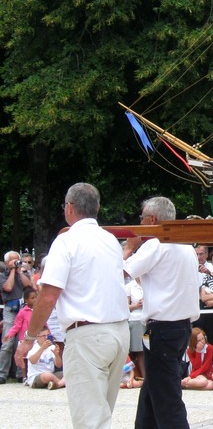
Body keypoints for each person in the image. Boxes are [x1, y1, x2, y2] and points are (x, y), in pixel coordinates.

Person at [15, 182, 130, 429]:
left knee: (90, 420)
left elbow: (48, 295)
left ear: (69, 208)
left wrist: (28, 338)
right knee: (102, 413)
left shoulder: (67, 241)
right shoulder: (110, 240)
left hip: (88, 334)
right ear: (97, 207)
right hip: (119, 331)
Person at [123, 196, 200, 429]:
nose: (139, 222)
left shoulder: (155, 244)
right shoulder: (186, 246)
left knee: (166, 395)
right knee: (153, 387)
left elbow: (121, 273)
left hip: (162, 328)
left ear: (153, 219)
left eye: (142, 218)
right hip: (176, 327)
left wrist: (128, 248)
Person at [0, 251, 33, 384]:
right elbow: (7, 287)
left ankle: (20, 373)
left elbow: (28, 286)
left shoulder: (23, 274)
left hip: (23, 309)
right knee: (7, 342)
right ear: (7, 263)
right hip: (10, 309)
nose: (15, 263)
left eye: (16, 260)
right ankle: (2, 373)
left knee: (22, 341)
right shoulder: (3, 276)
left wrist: (19, 271)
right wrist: (12, 271)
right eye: (12, 261)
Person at [126, 276, 145, 379]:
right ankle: (142, 375)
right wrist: (137, 305)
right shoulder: (129, 286)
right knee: (139, 350)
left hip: (149, 319)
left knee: (148, 350)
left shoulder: (149, 282)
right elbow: (125, 306)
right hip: (136, 319)